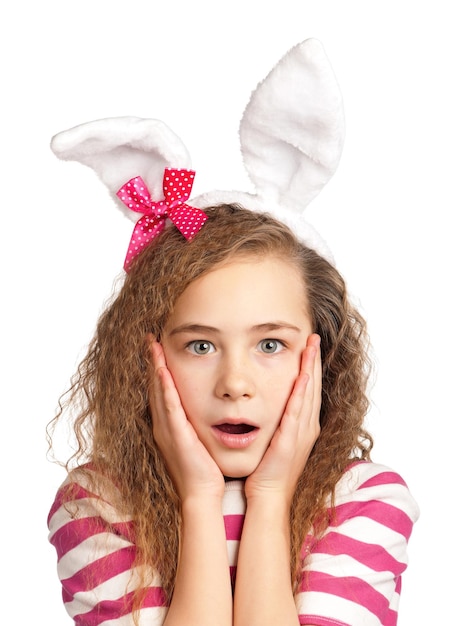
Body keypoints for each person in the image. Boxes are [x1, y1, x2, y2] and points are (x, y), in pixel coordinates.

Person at [46, 39, 419, 626]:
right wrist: (198, 503)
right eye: (200, 345)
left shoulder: (361, 500)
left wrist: (270, 504)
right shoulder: (98, 502)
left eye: (270, 344)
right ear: (142, 357)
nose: (235, 383)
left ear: (319, 355)